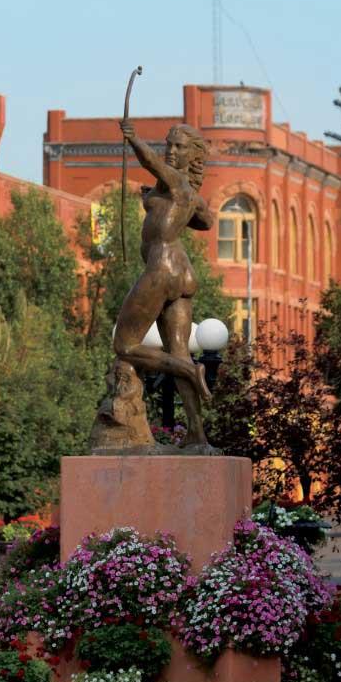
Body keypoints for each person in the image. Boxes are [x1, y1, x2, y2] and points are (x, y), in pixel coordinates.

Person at [112, 120, 216, 448]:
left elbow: (150, 162)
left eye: (179, 147)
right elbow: (207, 221)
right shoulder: (189, 192)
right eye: (169, 145)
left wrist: (133, 140)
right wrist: (159, 202)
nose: (170, 151)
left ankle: (188, 372)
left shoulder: (176, 180)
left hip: (162, 268)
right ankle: (197, 435)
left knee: (125, 346)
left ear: (193, 155)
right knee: (179, 349)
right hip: (182, 271)